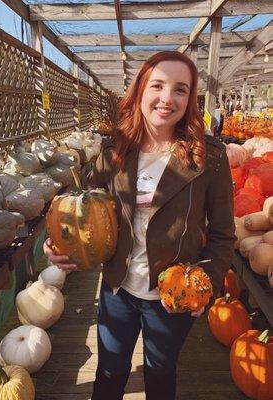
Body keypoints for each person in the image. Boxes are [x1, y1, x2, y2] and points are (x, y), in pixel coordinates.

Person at [43, 51, 236, 400]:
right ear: (140, 91)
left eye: (180, 89)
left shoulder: (210, 156)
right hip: (117, 286)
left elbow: (224, 234)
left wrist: (207, 279)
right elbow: (83, 209)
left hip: (172, 295)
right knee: (110, 370)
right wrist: (61, 243)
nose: (167, 98)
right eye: (157, 85)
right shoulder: (114, 149)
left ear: (190, 99)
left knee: (160, 371)